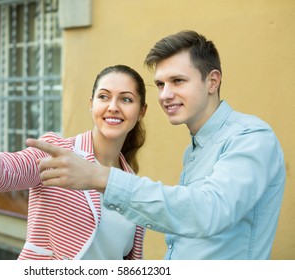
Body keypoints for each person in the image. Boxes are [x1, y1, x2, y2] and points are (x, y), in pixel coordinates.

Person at [27, 30, 286, 260]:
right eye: (161, 84)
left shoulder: (251, 137)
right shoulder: (196, 150)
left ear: (212, 81)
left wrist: (100, 177)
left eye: (178, 81)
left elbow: (209, 211)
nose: (165, 95)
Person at [0, 64, 148, 260]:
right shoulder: (57, 153)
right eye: (104, 97)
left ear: (141, 111)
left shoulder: (132, 185)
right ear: (91, 104)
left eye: (126, 99)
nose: (113, 107)